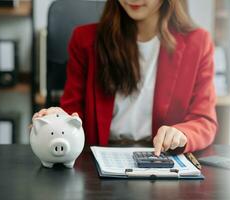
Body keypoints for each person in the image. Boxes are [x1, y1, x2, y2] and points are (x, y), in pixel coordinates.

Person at [32, 0, 217, 155]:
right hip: (100, 159)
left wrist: (182, 133)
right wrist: (58, 119)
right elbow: (73, 112)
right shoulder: (84, 40)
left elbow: (204, 120)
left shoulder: (198, 42)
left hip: (160, 159)